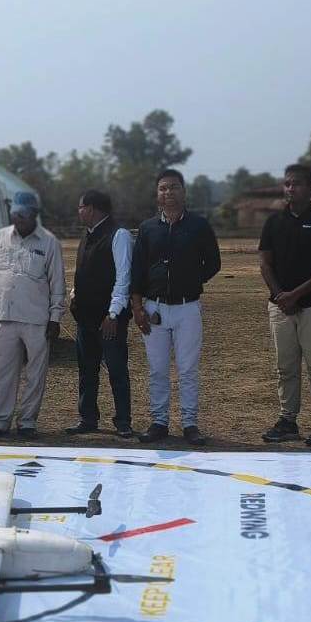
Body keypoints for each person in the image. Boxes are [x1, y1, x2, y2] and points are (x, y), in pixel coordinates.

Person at [129, 169, 221, 444]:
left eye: (173, 187)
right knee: (157, 369)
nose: (168, 192)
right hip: (154, 309)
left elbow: (213, 263)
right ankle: (159, 422)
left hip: (187, 308)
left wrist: (191, 280)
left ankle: (190, 424)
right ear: (157, 194)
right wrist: (137, 307)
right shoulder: (147, 228)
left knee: (187, 369)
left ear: (183, 191)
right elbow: (137, 270)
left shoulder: (199, 226)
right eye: (163, 188)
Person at [258, 163, 311, 447]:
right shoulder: (273, 222)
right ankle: (287, 421)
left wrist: (295, 295)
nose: (291, 188)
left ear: (310, 188)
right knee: (286, 368)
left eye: (296, 183)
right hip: (280, 307)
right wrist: (281, 296)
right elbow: (265, 264)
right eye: (287, 183)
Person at [0, 192, 65, 440]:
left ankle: (27, 422)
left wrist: (55, 318)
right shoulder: (1, 237)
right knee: (1, 372)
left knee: (35, 374)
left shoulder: (49, 242)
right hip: (5, 317)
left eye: (23, 215)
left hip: (37, 320)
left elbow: (57, 283)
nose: (18, 219)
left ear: (34, 214)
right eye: (15, 214)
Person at [65, 190, 134, 438]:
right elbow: (85, 272)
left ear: (92, 208)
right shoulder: (87, 235)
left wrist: (113, 314)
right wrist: (75, 294)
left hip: (109, 320)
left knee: (116, 370)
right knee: (87, 370)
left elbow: (124, 277)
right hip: (85, 318)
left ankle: (123, 421)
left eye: (81, 207)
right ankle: (88, 418)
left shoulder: (119, 235)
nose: (79, 212)